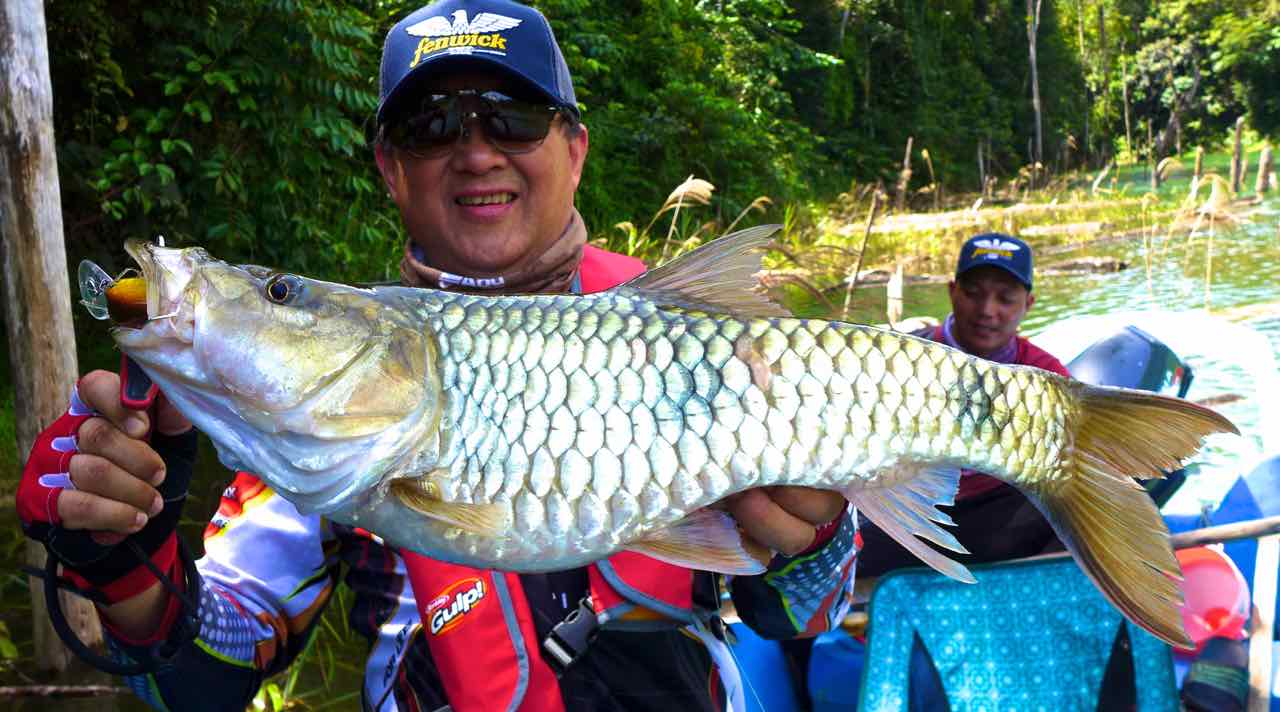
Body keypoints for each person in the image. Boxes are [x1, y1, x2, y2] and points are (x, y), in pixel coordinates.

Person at [16, 2, 857, 710]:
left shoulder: (709, 337)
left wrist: (812, 536)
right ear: (389, 166)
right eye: (432, 124)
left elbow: (801, 620)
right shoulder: (330, 392)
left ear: (576, 148)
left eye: (515, 117)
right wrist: (123, 560)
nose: (478, 149)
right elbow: (209, 676)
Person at [855, 232, 1071, 577]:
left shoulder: (1047, 374)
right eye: (973, 294)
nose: (987, 311)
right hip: (912, 505)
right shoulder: (899, 358)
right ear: (952, 291)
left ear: (1028, 304)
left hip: (999, 507)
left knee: (1068, 511)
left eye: (1005, 298)